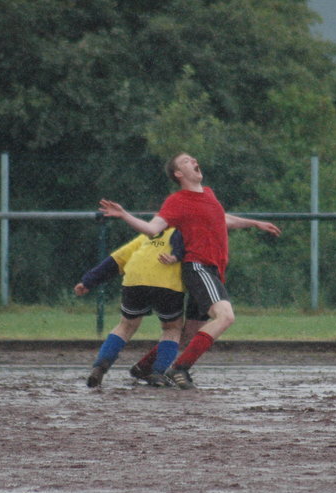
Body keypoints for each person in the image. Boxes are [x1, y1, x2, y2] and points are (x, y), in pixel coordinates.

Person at [98, 152, 281, 389]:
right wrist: (124, 215)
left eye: (193, 159)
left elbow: (222, 219)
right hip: (198, 266)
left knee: (188, 334)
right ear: (178, 174)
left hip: (212, 269)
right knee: (225, 316)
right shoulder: (177, 201)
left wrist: (254, 223)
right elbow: (152, 229)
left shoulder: (209, 194)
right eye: (186, 161)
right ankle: (180, 368)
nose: (194, 161)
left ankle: (144, 368)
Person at [74, 227, 186, 388]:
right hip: (167, 283)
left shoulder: (149, 234)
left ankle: (99, 367)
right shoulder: (186, 233)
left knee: (126, 326)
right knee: (172, 328)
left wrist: (88, 281)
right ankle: (158, 373)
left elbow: (116, 260)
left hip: (135, 279)